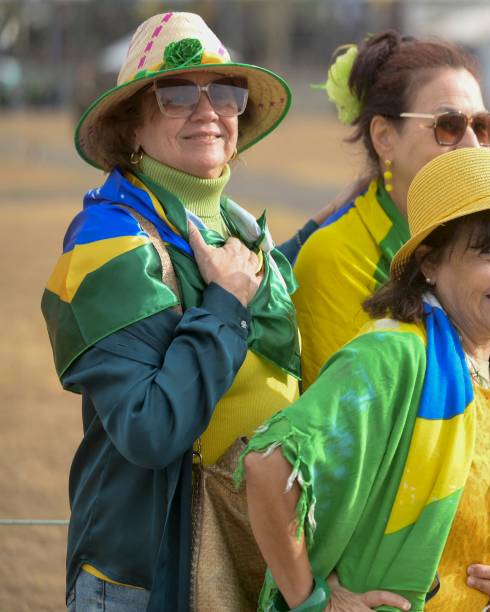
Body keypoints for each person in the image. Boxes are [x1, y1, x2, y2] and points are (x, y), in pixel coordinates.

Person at [278, 31, 490, 580]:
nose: (474, 146)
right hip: (396, 562)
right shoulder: (335, 254)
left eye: (485, 127)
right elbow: (366, 438)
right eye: (449, 126)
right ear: (384, 136)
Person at [42, 12, 302, 610]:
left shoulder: (239, 228)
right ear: (132, 121)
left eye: (226, 92)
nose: (208, 110)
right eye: (177, 92)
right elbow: (150, 427)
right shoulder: (108, 240)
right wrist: (226, 305)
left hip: (248, 555)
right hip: (149, 577)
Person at [242, 147, 490, 611]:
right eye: (489, 251)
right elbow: (268, 465)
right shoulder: (392, 354)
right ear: (430, 264)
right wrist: (313, 601)